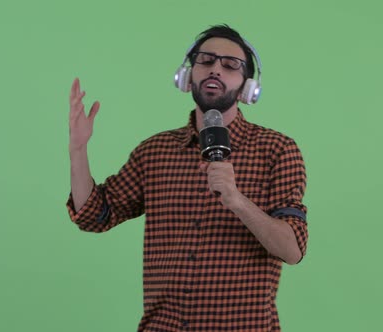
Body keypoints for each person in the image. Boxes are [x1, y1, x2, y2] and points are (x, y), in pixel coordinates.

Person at [67, 24, 308, 331]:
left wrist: (236, 201)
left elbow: (292, 249)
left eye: (230, 65)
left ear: (248, 86)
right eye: (205, 60)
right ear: (187, 75)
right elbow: (94, 215)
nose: (215, 70)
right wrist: (78, 149)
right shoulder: (154, 151)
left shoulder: (278, 150)